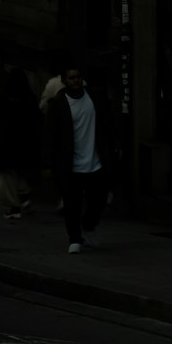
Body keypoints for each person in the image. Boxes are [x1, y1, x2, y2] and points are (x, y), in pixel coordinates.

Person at [44, 62, 116, 254]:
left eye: (78, 77)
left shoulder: (94, 98)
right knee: (72, 204)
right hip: (71, 164)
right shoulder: (58, 104)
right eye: (71, 78)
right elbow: (51, 135)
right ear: (64, 80)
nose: (76, 81)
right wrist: (51, 163)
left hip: (95, 161)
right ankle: (74, 238)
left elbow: (106, 125)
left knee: (100, 199)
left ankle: (89, 225)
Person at [0, 67, 41, 219]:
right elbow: (37, 120)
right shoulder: (30, 98)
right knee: (23, 173)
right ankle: (25, 198)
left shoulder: (4, 98)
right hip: (26, 143)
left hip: (8, 142)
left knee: (8, 176)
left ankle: (14, 207)